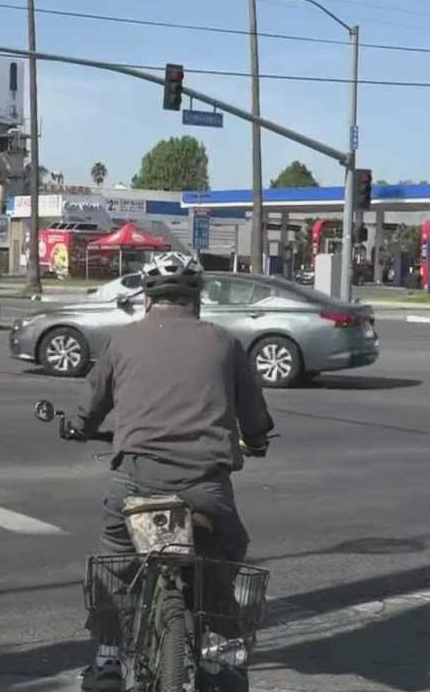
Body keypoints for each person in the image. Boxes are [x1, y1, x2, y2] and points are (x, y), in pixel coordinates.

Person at [67, 251, 275, 692]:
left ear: (147, 298)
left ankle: (106, 659)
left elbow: (90, 409)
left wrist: (77, 428)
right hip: (207, 488)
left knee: (114, 565)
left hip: (136, 483)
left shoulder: (121, 342)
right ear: (197, 299)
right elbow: (256, 420)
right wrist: (255, 441)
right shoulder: (225, 344)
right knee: (222, 564)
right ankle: (223, 657)